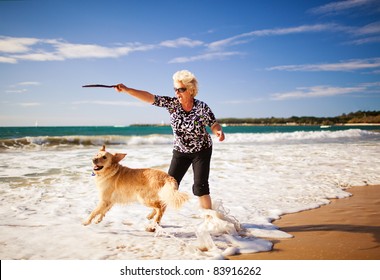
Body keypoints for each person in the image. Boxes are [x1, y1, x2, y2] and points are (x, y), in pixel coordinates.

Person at [115, 70, 225, 210]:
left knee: (200, 187)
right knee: (168, 187)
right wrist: (127, 90)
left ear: (191, 90)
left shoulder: (202, 107)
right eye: (175, 89)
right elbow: (149, 98)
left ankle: (210, 221)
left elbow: (213, 123)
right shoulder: (172, 104)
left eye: (181, 89)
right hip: (180, 152)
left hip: (201, 151)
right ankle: (156, 221)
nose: (177, 93)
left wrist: (218, 131)